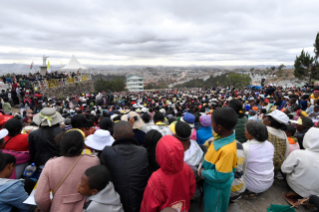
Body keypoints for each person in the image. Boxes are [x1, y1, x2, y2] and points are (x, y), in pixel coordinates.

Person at [35, 130, 100, 212]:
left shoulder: (51, 164)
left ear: (61, 144)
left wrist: (51, 207)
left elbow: (40, 198)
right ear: (83, 145)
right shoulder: (94, 161)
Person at [100, 121, 149, 212]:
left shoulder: (107, 152)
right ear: (133, 134)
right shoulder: (143, 151)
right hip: (139, 200)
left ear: (114, 136)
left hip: (116, 202)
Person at [140, 135, 196, 212]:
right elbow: (191, 191)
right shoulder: (187, 169)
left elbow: (148, 207)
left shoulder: (156, 179)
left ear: (159, 154)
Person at [199, 107, 237, 212]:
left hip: (217, 188)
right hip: (211, 183)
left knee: (214, 208)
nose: (211, 125)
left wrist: (203, 173)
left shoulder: (227, 149)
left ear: (219, 127)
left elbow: (221, 175)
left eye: (213, 123)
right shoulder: (220, 137)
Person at [282, 127, 319, 200]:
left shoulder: (298, 153)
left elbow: (284, 170)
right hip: (313, 194)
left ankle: (294, 192)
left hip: (294, 185)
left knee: (285, 167)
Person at [242, 121, 274, 197]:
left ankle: (248, 192)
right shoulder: (269, 144)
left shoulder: (245, 147)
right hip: (269, 182)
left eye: (245, 130)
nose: (244, 132)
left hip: (252, 186)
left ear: (250, 134)